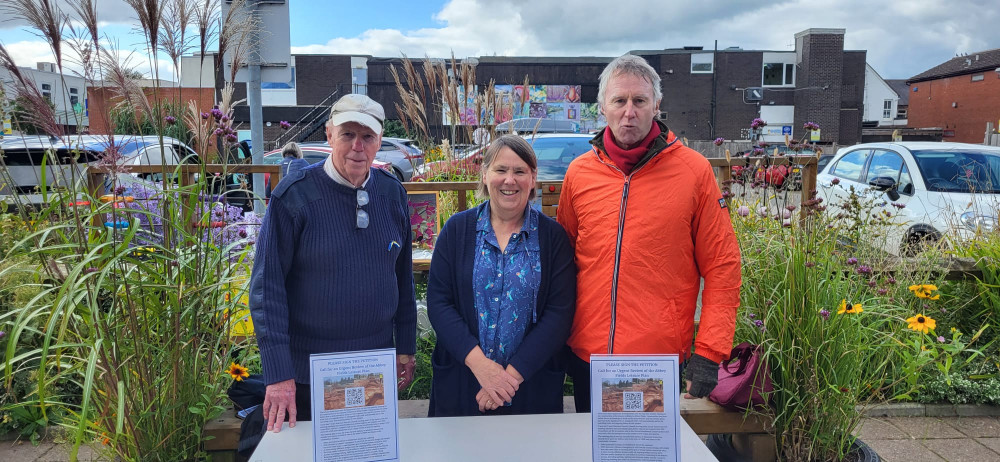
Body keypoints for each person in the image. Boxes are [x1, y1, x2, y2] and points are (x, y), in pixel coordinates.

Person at [556, 54, 742, 412]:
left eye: (639, 101)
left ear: (656, 105)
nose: (629, 111)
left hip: (652, 360)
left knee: (642, 451)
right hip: (589, 355)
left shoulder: (694, 172)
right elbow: (563, 260)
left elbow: (722, 265)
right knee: (594, 450)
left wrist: (709, 351)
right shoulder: (579, 174)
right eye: (619, 101)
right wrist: (558, 338)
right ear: (602, 108)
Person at [249, 94, 417, 433]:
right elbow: (267, 289)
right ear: (329, 135)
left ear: (379, 142)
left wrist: (407, 346)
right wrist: (279, 374)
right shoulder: (294, 196)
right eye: (347, 134)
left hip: (372, 368)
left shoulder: (392, 193)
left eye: (367, 137)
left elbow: (402, 275)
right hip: (307, 373)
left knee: (365, 452)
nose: (358, 146)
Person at [427, 134, 577, 416]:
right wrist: (482, 368)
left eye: (520, 171)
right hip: (464, 381)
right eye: (500, 170)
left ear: (532, 179)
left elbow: (559, 313)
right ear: (484, 175)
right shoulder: (457, 231)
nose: (510, 180)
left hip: (530, 386)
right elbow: (438, 302)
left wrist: (506, 381)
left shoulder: (552, 238)